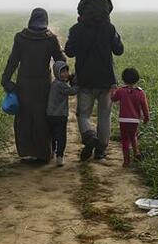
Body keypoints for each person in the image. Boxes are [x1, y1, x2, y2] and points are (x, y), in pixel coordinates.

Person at [1, 8, 66, 162]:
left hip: (24, 83)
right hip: (43, 84)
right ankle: (43, 153)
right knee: (42, 117)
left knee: (24, 117)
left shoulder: (20, 38)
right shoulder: (50, 39)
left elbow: (13, 61)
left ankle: (26, 151)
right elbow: (60, 60)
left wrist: (5, 79)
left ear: (31, 20)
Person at [64, 20, 124, 161]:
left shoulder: (76, 28)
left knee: (83, 114)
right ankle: (100, 151)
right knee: (104, 115)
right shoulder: (109, 28)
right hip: (107, 79)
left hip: (85, 80)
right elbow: (119, 50)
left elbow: (69, 52)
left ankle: (90, 137)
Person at [111, 67, 150, 167]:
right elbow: (145, 107)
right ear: (137, 79)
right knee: (133, 136)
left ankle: (126, 161)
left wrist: (112, 91)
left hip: (123, 119)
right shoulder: (140, 92)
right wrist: (146, 117)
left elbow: (113, 99)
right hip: (134, 120)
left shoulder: (121, 91)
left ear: (123, 79)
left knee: (124, 140)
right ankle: (136, 152)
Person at [46, 61, 78, 166]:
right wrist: (79, 85)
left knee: (53, 135)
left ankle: (52, 152)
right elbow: (72, 91)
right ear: (56, 73)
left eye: (66, 71)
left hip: (50, 115)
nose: (66, 74)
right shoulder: (60, 85)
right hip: (60, 116)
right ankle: (60, 156)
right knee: (61, 137)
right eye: (62, 72)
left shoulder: (54, 83)